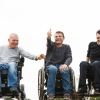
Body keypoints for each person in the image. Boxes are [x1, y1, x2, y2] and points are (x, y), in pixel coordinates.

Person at [45, 29, 72, 100]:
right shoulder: (51, 45)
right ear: (54, 38)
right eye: (56, 36)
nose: (58, 38)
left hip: (61, 65)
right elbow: (48, 43)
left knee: (65, 69)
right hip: (51, 65)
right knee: (53, 69)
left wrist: (66, 64)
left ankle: (67, 94)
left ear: (63, 38)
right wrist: (48, 37)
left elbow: (69, 57)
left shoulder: (67, 47)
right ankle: (50, 94)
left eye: (60, 36)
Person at [76, 29, 100, 95]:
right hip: (93, 66)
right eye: (98, 38)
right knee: (83, 63)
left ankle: (98, 88)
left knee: (96, 63)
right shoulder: (91, 44)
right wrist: (86, 65)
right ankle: (83, 88)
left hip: (98, 66)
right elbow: (88, 57)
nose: (99, 39)